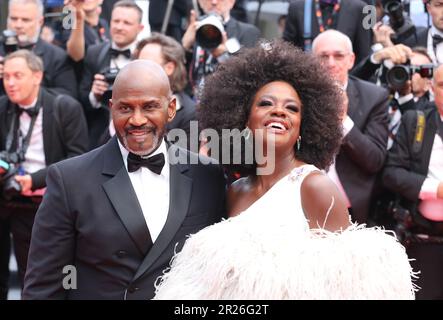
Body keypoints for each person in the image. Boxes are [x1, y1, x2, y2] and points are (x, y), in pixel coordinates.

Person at [153, 40, 415, 300]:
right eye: (266, 104)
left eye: (292, 108)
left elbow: (346, 288)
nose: (279, 111)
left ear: (303, 127)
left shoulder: (314, 187)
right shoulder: (235, 191)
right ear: (244, 119)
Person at [22, 60, 226, 300]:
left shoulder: (207, 175)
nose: (137, 120)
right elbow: (44, 286)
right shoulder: (69, 180)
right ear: (112, 108)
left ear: (171, 108)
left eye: (149, 107)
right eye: (126, 108)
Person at [0, 50, 88, 299]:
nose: (11, 82)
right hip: (6, 199)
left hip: (44, 203)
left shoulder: (65, 108)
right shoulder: (2, 106)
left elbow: (78, 159)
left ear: (37, 76)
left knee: (36, 276)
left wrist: (34, 179)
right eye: (6, 76)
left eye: (18, 75)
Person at [312, 30, 390, 224]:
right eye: (323, 56)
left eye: (338, 56)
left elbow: (374, 161)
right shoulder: (296, 96)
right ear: (312, 60)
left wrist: (342, 120)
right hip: (303, 205)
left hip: (355, 209)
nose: (330, 63)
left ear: (351, 60)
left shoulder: (374, 97)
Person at [382, 64, 443, 300]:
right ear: (431, 87)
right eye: (442, 85)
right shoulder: (416, 121)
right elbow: (391, 173)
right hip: (423, 237)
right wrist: (435, 189)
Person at [79, 0, 144, 149]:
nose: (119, 27)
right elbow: (80, 101)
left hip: (138, 136)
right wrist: (94, 95)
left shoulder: (147, 55)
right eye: (116, 21)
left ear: (140, 28)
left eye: (127, 23)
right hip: (100, 139)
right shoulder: (94, 53)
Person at [0, 0, 78, 99]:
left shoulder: (57, 57)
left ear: (40, 21)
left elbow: (69, 96)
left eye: (25, 20)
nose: (18, 25)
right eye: (13, 19)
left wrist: (29, 89)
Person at [181, 0, 260, 96]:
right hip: (191, 101)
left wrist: (223, 56)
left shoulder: (247, 32)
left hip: (225, 102)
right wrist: (184, 47)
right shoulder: (193, 29)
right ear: (200, 2)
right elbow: (175, 72)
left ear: (232, 2)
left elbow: (248, 76)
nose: (214, 2)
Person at [133, 33, 196, 150]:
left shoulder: (190, 113)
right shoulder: (129, 104)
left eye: (147, 64)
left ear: (169, 68)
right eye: (138, 64)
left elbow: (184, 162)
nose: (139, 70)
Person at [282, 0, 371, 63]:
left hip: (345, 79)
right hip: (307, 78)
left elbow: (363, 54)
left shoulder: (360, 8)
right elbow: (288, 49)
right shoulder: (297, 7)